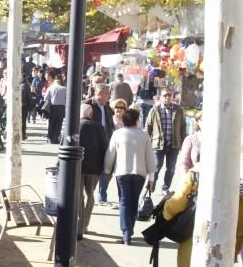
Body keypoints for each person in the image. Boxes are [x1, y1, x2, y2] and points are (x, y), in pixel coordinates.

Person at [104, 108, 156, 245]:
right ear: (136, 120)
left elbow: (110, 154)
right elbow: (150, 157)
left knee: (124, 201)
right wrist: (152, 176)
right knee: (134, 201)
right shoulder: (144, 135)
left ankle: (126, 233)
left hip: (122, 172)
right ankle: (129, 231)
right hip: (140, 173)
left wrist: (107, 170)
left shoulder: (117, 134)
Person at [145, 89, 187, 194]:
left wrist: (183, 143)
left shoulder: (178, 110)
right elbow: (148, 126)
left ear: (172, 97)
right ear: (160, 97)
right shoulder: (155, 109)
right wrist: (147, 142)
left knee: (171, 168)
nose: (167, 97)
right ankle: (151, 186)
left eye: (169, 95)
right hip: (158, 144)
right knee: (156, 166)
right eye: (165, 95)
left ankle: (165, 188)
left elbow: (183, 127)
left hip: (173, 144)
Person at [77, 104, 108, 240]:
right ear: (90, 114)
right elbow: (104, 148)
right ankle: (85, 224)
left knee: (78, 196)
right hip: (94, 168)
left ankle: (78, 224)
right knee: (90, 195)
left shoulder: (73, 126)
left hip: (77, 167)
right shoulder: (99, 128)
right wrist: (105, 168)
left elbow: (63, 145)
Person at [45, 72, 66, 144]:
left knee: (51, 123)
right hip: (61, 107)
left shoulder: (50, 88)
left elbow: (46, 98)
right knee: (59, 124)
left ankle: (49, 138)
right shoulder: (64, 89)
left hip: (53, 107)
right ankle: (55, 138)